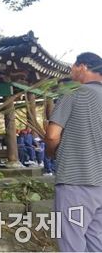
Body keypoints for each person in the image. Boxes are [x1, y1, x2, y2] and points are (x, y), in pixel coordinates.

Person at [45, 52, 102, 252]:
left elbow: (52, 135)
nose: (71, 71)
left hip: (75, 182)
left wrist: (50, 152)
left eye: (73, 66)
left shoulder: (75, 93)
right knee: (96, 242)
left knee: (71, 243)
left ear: (83, 67)